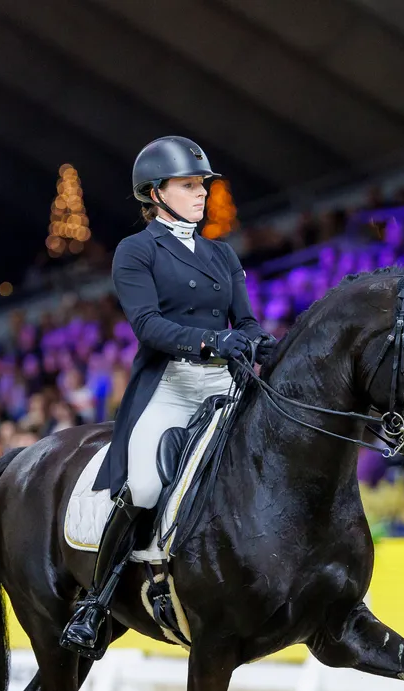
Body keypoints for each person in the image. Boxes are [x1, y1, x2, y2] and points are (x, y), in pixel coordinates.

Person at [61, 137, 276, 657]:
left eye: (202, 185)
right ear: (156, 193)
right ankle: (97, 599)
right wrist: (212, 341)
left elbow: (245, 320)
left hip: (225, 383)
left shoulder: (221, 252)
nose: (202, 194)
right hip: (171, 385)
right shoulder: (137, 251)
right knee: (142, 485)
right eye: (189, 186)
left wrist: (258, 340)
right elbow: (148, 325)